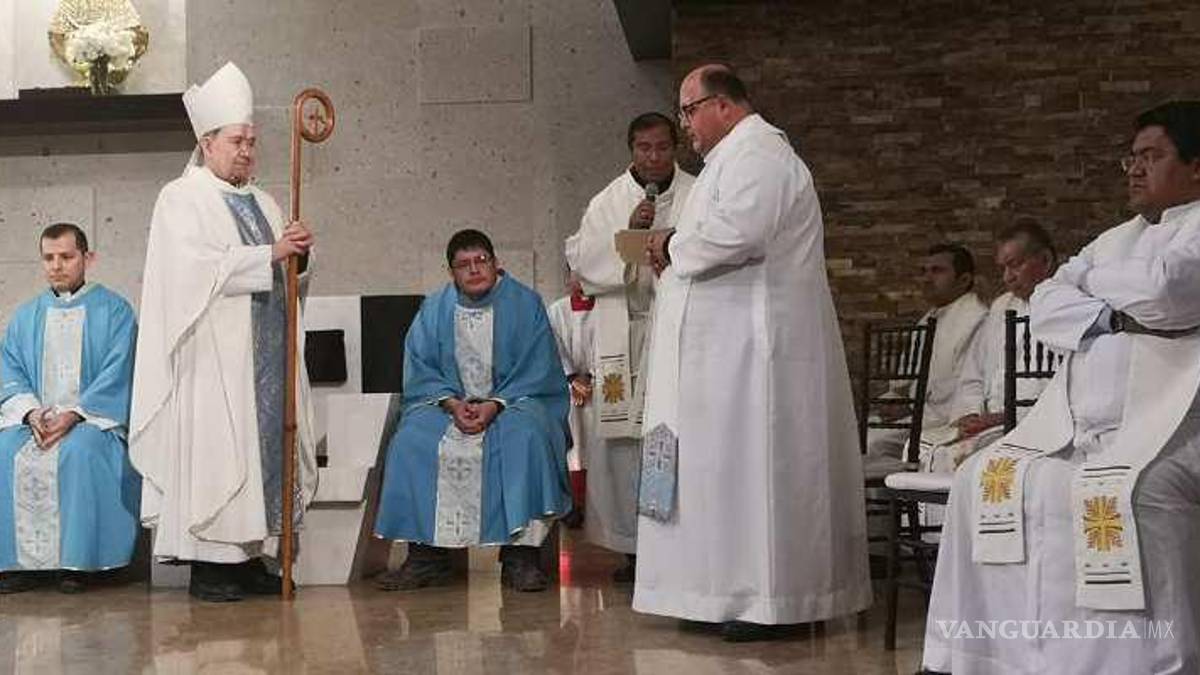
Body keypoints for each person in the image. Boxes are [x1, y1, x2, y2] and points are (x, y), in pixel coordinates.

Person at [923, 101, 1200, 674]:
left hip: (1172, 430)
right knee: (980, 479)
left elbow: (1167, 292)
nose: (1134, 169)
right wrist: (1114, 313)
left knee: (1134, 496)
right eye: (1131, 158)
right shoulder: (1114, 239)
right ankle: (986, 656)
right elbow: (1047, 304)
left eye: (1152, 157)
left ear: (1196, 167)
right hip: (1082, 431)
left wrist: (1087, 284)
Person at [638, 65, 871, 642]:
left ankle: (774, 601)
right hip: (722, 358)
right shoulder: (730, 159)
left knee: (756, 473)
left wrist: (672, 243)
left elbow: (740, 232)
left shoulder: (761, 154)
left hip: (755, 357)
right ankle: (718, 592)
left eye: (689, 111)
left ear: (722, 104)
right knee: (719, 474)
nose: (685, 126)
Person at [129, 62, 319, 602]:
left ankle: (251, 557)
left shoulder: (265, 201)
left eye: (252, 142)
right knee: (219, 455)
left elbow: (287, 277)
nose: (246, 152)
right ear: (206, 142)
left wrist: (300, 257)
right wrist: (270, 253)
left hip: (265, 352)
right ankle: (211, 567)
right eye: (237, 141)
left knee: (262, 455)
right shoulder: (180, 197)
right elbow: (190, 272)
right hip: (211, 359)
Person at [374, 229, 571, 593]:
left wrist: (495, 405)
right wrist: (452, 403)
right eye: (463, 264)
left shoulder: (525, 303)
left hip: (514, 401)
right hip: (449, 404)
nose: (474, 269)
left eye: (481, 260)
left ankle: (520, 558)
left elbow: (539, 367)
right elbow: (420, 367)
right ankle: (426, 557)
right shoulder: (434, 308)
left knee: (526, 437)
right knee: (411, 440)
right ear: (451, 272)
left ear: (496, 263)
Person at [565, 112, 695, 580]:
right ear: (631, 149)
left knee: (669, 436)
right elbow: (583, 263)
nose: (654, 157)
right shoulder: (609, 201)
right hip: (623, 333)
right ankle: (635, 548)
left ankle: (678, 544)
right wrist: (630, 231)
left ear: (675, 147)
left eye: (662, 147)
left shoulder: (697, 193)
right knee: (626, 447)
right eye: (644, 148)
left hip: (674, 330)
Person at [0, 223, 139, 594]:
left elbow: (119, 369)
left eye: (66, 256)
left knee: (80, 450)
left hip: (93, 420)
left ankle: (79, 563)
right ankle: (17, 565)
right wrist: (30, 413)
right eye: (49, 258)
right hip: (38, 419)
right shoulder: (26, 316)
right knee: (5, 449)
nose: (57, 265)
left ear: (87, 258)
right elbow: (9, 369)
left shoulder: (115, 311)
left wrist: (76, 414)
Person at [919, 222, 1058, 473]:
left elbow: (1065, 385)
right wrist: (970, 414)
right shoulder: (1001, 307)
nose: (1007, 277)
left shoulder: (1068, 309)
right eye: (1003, 268)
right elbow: (973, 374)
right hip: (988, 420)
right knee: (921, 447)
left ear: (1045, 260)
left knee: (961, 457)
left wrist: (1008, 415)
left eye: (1015, 265)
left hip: (1032, 422)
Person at [866, 243, 987, 463]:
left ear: (963, 280)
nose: (927, 278)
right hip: (918, 417)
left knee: (873, 442)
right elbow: (906, 381)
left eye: (937, 271)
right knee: (857, 433)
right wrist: (892, 402)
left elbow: (963, 387)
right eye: (924, 271)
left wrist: (909, 408)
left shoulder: (975, 320)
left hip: (946, 421)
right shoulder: (928, 319)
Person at [545, 274, 597, 529]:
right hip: (566, 385)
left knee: (597, 446)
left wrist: (590, 377)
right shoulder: (557, 310)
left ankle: (598, 506)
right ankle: (573, 504)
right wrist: (573, 377)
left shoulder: (608, 308)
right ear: (567, 278)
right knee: (574, 445)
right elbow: (551, 345)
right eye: (576, 274)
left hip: (601, 386)